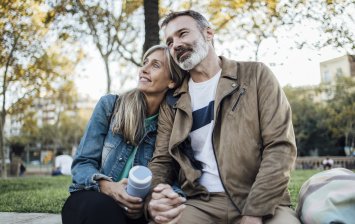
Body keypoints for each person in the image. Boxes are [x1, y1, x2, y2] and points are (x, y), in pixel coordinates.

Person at [147, 10, 300, 224]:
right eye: (170, 42)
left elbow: (280, 147)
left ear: (208, 33)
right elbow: (162, 161)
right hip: (200, 202)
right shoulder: (172, 101)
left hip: (262, 200)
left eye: (183, 34)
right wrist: (155, 197)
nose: (176, 45)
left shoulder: (256, 75)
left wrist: (254, 211)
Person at [61, 44, 185, 224]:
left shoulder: (175, 124)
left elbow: (177, 178)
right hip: (95, 198)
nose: (144, 69)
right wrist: (109, 187)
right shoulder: (110, 106)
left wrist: (163, 200)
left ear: (172, 81)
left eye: (155, 65)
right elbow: (82, 164)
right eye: (145, 63)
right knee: (102, 209)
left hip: (140, 209)